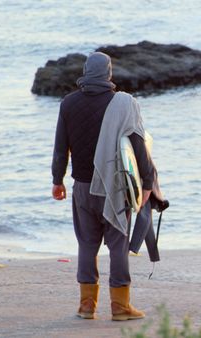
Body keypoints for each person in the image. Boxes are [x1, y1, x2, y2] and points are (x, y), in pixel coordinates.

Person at [51, 52, 153, 321]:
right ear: (109, 73)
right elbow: (138, 146)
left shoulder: (69, 103)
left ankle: (87, 306)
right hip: (115, 187)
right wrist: (148, 183)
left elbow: (61, 148)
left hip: (82, 187)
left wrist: (57, 180)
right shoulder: (124, 103)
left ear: (86, 71)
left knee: (86, 243)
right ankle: (120, 307)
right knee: (118, 245)